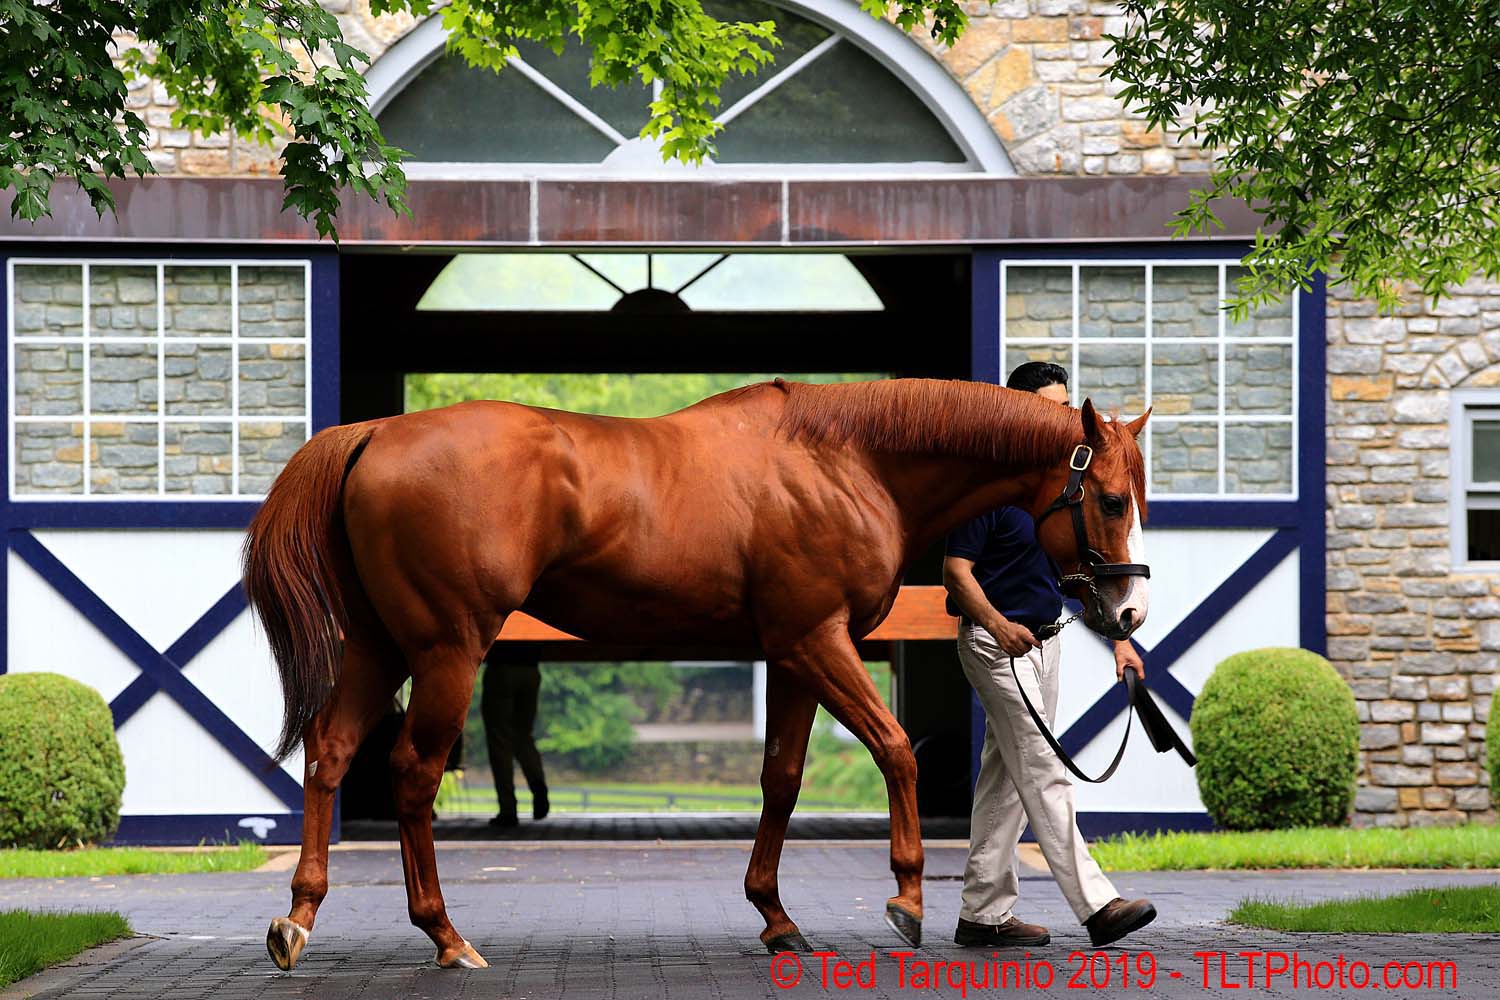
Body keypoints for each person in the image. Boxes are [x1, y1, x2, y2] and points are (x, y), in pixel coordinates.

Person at [943, 361, 1155, 949]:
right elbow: (955, 573)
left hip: (1046, 644)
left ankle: (982, 915)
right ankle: (1097, 905)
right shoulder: (986, 489)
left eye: (1066, 406)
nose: (1061, 417)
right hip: (995, 647)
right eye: (1049, 407)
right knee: (1042, 766)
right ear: (1019, 410)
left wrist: (1119, 639)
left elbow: (1083, 575)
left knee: (1006, 779)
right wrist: (996, 623)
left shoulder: (1062, 488)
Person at [480, 649, 550, 828]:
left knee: (500, 740)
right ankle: (537, 784)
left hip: (502, 666)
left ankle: (508, 809)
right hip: (530, 668)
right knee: (523, 735)